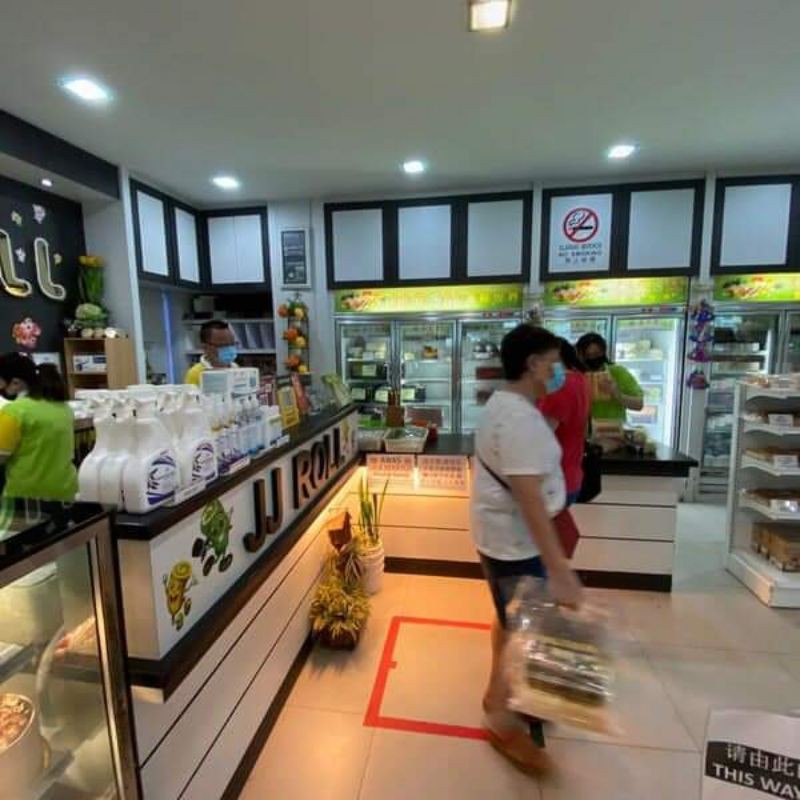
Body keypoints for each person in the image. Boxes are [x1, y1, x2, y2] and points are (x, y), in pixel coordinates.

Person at [471, 324, 583, 774]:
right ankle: (499, 720)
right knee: (526, 630)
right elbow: (529, 498)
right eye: (555, 363)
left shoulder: (504, 404)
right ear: (533, 364)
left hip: (501, 537)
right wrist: (559, 568)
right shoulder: (519, 420)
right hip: (516, 543)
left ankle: (506, 695)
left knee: (512, 619)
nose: (561, 372)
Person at [0, 353, 77, 502]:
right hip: (66, 489)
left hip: (28, 495)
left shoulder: (14, 411)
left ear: (15, 382)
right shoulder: (63, 407)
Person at [537, 338, 590, 506]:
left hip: (554, 479)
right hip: (571, 474)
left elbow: (541, 436)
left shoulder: (559, 388)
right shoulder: (579, 379)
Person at [575, 332, 644, 422]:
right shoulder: (575, 376)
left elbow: (639, 405)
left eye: (596, 354)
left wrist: (618, 395)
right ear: (580, 356)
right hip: (584, 428)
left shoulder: (618, 372)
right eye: (587, 355)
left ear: (603, 352)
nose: (592, 358)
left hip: (614, 428)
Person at [184, 320, 238, 386]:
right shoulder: (195, 373)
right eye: (223, 345)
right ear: (205, 347)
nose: (229, 349)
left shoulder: (236, 368)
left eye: (232, 344)